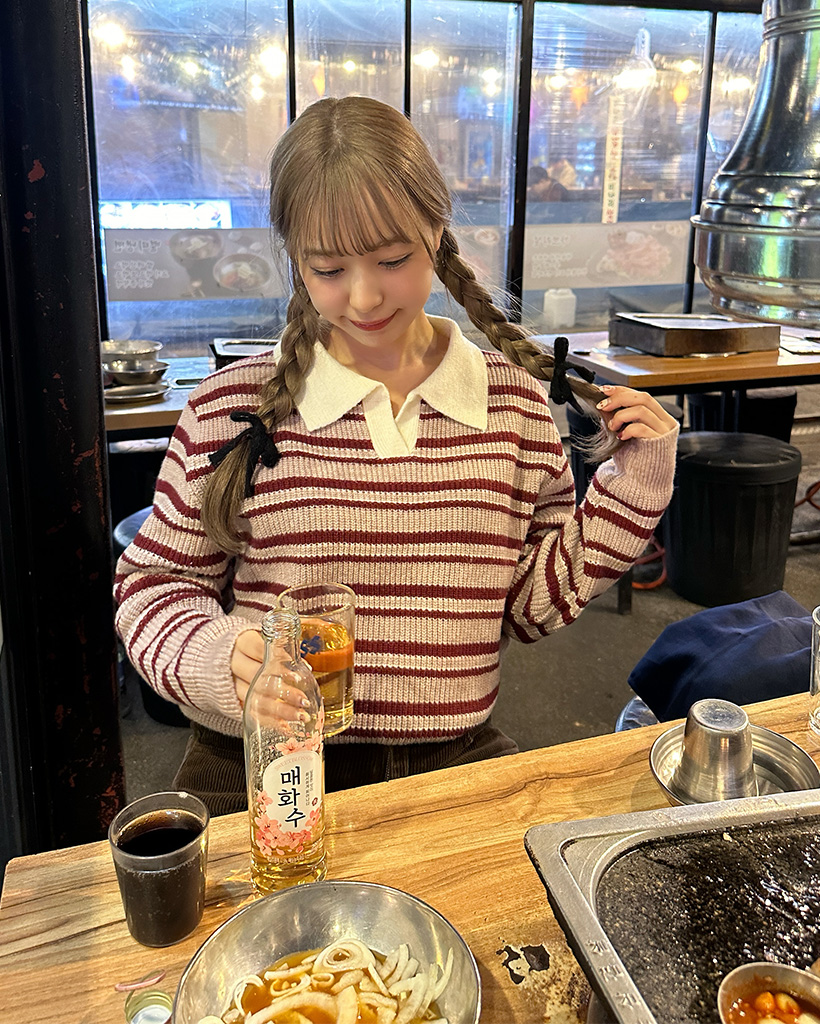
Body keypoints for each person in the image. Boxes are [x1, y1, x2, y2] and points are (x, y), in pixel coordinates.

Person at [114, 96, 679, 815]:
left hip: (446, 759)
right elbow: (153, 588)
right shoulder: (231, 408)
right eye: (327, 269)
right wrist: (219, 656)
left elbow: (526, 606)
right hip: (257, 758)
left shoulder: (511, 404)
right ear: (295, 259)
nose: (364, 297)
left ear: (437, 231)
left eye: (392, 260)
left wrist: (632, 490)